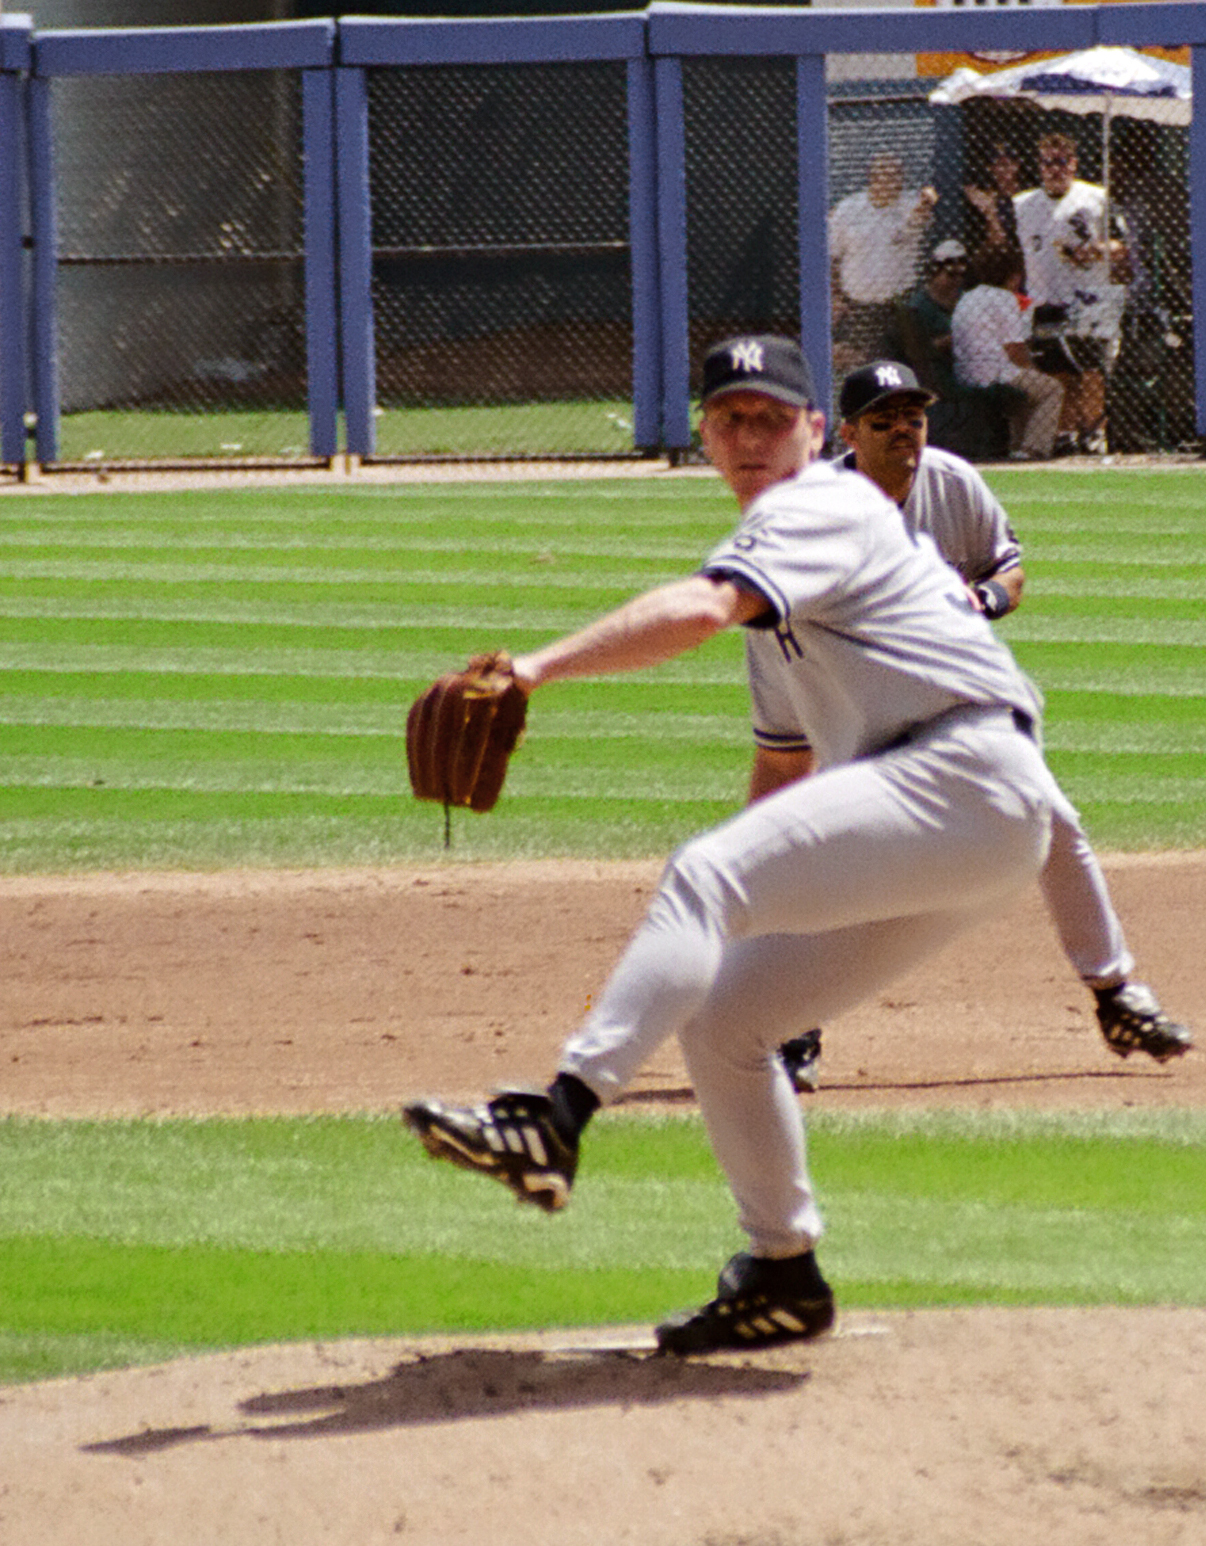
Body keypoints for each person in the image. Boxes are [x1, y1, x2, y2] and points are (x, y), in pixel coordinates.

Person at [404, 334, 1093, 1355]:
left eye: (773, 416)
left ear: (817, 433)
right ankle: (782, 1271)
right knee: (726, 1018)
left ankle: (550, 1118)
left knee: (703, 872)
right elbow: (782, 770)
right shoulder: (801, 566)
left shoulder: (816, 504)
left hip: (963, 777)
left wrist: (536, 669)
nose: (749, 435)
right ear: (702, 436)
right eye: (729, 417)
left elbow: (698, 606)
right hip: (969, 819)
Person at [775, 360, 1191, 1095]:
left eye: (913, 414)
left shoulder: (951, 482)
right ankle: (791, 1026)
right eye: (883, 419)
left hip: (962, 715)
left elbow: (1009, 568)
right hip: (863, 720)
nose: (903, 428)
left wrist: (983, 602)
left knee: (1054, 823)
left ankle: (1116, 994)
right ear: (845, 434)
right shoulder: (815, 514)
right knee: (840, 872)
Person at [1012, 132, 1130, 455]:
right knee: (1057, 372)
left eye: (1061, 162)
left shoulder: (1097, 199)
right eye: (1047, 162)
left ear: (1073, 164)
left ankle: (1093, 434)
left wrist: (1095, 250)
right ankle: (1065, 436)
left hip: (1091, 298)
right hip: (1046, 299)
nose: (1054, 169)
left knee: (1092, 370)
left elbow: (1122, 246)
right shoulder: (1022, 205)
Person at [829, 153, 939, 374]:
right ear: (871, 176)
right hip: (860, 307)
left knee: (906, 368)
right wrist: (836, 296)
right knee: (865, 369)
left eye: (895, 174)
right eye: (882, 173)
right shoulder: (848, 209)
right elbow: (832, 257)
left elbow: (921, 217)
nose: (888, 180)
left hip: (901, 304)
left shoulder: (911, 205)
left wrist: (926, 203)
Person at [950, 249, 1065, 460]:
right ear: (1014, 276)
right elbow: (1015, 350)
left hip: (964, 371)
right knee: (1051, 389)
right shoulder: (1005, 298)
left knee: (1028, 390)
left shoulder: (968, 296)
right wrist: (1035, 371)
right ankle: (1034, 449)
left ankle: (1018, 448)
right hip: (992, 372)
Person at [888, 238, 969, 402]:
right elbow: (915, 353)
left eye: (962, 274)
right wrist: (943, 343)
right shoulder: (918, 307)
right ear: (934, 271)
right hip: (935, 376)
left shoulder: (966, 299)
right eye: (951, 274)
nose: (957, 280)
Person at [961, 139, 1023, 270]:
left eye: (1006, 164)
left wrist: (990, 210)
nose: (1001, 170)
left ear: (1016, 165)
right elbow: (993, 248)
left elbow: (1006, 248)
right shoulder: (989, 198)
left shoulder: (1026, 198)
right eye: (996, 165)